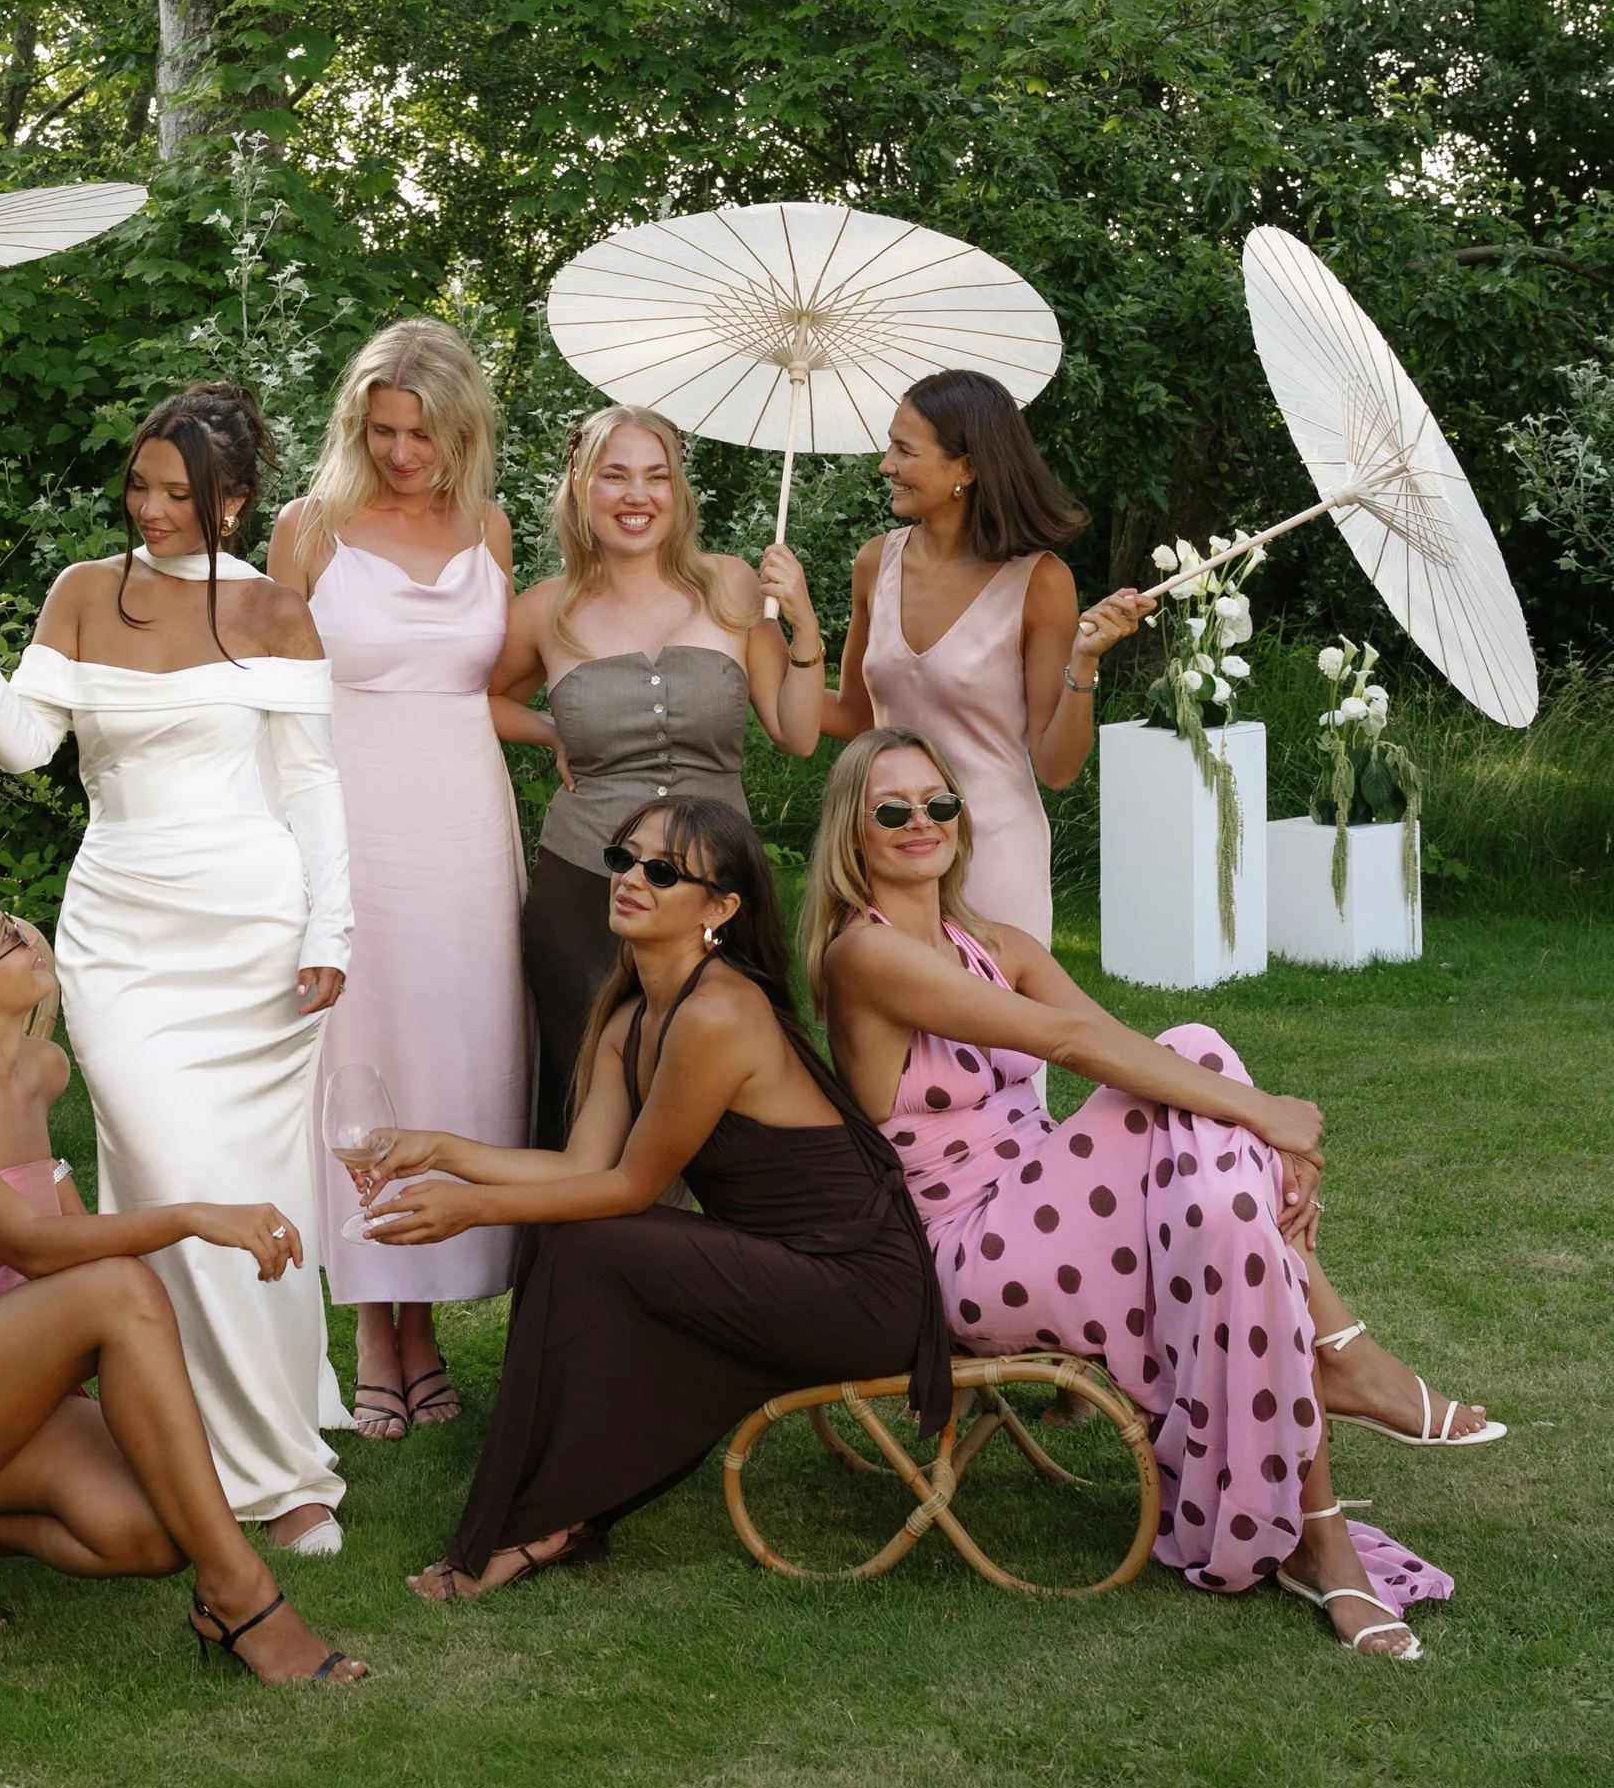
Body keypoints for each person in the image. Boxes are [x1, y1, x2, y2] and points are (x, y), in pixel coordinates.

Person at [803, 726, 1502, 1659]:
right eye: (893, 809)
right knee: (1200, 1055)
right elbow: (1075, 1048)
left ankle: (1324, 1531)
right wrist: (1265, 1114)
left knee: (1226, 1223)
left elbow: (1120, 1053)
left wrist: (1247, 1131)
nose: (921, 822)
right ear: (854, 832)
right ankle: (1338, 1357)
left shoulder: (997, 945)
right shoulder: (865, 956)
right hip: (971, 1251)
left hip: (1055, 1215)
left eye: (940, 803)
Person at [0, 382, 350, 1553]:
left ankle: (272, 1450)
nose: (151, 511)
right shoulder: (79, 593)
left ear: (236, 498)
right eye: (140, 487)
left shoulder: (274, 613)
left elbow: (311, 786)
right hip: (119, 935)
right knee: (166, 1181)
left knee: (258, 1191)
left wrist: (332, 934)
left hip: (252, 933)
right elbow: (21, 750)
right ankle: (260, 1466)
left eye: (179, 494)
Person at [360, 794, 950, 1598]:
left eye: (663, 870)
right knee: (565, 1233)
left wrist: (471, 1208)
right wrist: (444, 1152)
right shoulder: (631, 1019)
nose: (631, 878)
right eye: (624, 858)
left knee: (580, 1240)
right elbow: (580, 1169)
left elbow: (628, 1188)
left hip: (861, 1291)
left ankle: (534, 1524)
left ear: (721, 907)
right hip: (788, 1268)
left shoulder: (717, 1013)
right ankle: (549, 1518)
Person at [0, 894, 365, 1683]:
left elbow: (52, 1227)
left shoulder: (39, 1069)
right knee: (117, 1291)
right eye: (5, 938)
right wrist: (193, 1217)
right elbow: (29, 1245)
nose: (28, 934)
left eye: (14, 921)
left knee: (154, 1534)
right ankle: (244, 1595)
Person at [268, 318, 527, 1443]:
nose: (400, 454)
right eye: (380, 431)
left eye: (420, 434)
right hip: (348, 815)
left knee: (459, 1055)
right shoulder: (310, 531)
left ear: (459, 428)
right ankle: (376, 1325)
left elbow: (499, 683)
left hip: (466, 823)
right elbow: (266, 700)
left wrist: (575, 732)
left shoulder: (492, 528)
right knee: (363, 1062)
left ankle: (432, 1313)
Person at [489, 402, 823, 1143]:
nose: (636, 496)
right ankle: (577, 1256)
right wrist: (551, 730)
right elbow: (481, 700)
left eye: (655, 476)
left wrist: (803, 625)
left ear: (679, 493)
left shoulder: (733, 587)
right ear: (582, 486)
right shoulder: (544, 611)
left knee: (730, 1098)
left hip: (716, 890)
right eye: (615, 476)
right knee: (590, 1109)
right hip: (587, 887)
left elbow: (797, 733)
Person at [817, 370, 1147, 947]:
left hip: (994, 854)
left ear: (966, 467)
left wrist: (1084, 662)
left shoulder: (1040, 581)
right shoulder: (875, 563)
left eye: (904, 449)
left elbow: (1056, 767)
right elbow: (854, 717)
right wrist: (750, 662)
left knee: (997, 1031)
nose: (885, 465)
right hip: (890, 847)